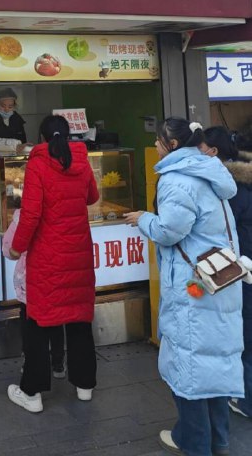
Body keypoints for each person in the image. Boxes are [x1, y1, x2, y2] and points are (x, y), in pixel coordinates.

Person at [124, 117, 243, 456]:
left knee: (189, 369)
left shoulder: (177, 179)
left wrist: (143, 219)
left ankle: (194, 443)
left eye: (159, 140)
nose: (156, 145)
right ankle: (218, 440)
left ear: (173, 144)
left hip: (194, 287)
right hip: (220, 278)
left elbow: (169, 231)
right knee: (215, 365)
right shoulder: (210, 172)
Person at [7, 114, 99, 413]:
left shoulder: (38, 163)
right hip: (78, 251)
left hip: (48, 254)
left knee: (38, 322)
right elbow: (92, 197)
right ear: (69, 134)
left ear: (42, 137)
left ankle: (31, 393)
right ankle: (84, 385)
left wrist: (17, 247)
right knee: (79, 318)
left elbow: (31, 214)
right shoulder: (81, 159)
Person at [201, 126, 252, 420]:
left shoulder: (227, 187)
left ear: (213, 151)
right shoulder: (243, 178)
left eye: (201, 148)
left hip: (240, 266)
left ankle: (245, 399)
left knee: (243, 332)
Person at [2, 192, 66, 389]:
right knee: (56, 321)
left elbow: (8, 247)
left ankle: (31, 363)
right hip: (55, 275)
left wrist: (17, 252)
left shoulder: (22, 217)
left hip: (29, 279)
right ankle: (58, 362)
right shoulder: (59, 213)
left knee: (30, 324)